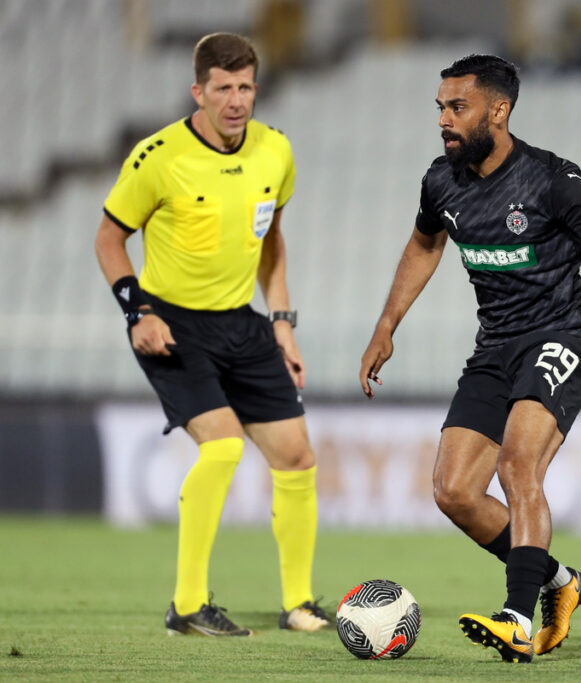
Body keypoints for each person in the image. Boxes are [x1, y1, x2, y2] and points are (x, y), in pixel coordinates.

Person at [360, 54, 581, 663]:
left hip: (562, 338)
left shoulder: (553, 180)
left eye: (458, 108)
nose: (444, 121)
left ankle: (516, 620)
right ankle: (559, 583)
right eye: (440, 109)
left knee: (519, 465)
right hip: (495, 346)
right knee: (453, 492)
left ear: (498, 111)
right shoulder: (441, 181)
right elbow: (424, 244)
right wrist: (387, 324)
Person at [95, 32, 330, 636]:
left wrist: (283, 326)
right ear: (197, 91)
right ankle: (188, 605)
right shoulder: (158, 157)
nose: (235, 100)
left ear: (257, 88)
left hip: (242, 324)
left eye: (245, 86)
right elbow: (107, 239)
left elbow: (272, 241)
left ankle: (299, 603)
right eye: (222, 88)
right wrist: (136, 313)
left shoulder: (275, 151)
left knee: (297, 458)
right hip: (171, 325)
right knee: (222, 446)